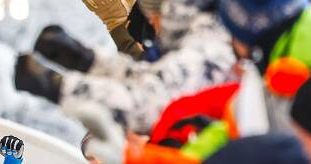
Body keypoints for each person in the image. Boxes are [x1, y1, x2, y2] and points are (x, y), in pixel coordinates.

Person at [15, 0, 236, 134]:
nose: (154, 24)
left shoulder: (211, 46)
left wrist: (59, 86)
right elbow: (151, 75)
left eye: (155, 19)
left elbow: (144, 102)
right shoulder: (200, 37)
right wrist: (89, 61)